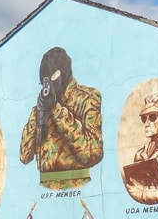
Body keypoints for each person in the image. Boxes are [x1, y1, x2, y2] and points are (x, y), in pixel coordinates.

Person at [19, 46, 103, 190]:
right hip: (45, 188)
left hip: (78, 184)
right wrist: (39, 112)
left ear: (63, 74)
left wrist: (57, 110)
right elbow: (24, 156)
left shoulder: (86, 98)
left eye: (52, 79)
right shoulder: (42, 105)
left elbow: (92, 153)